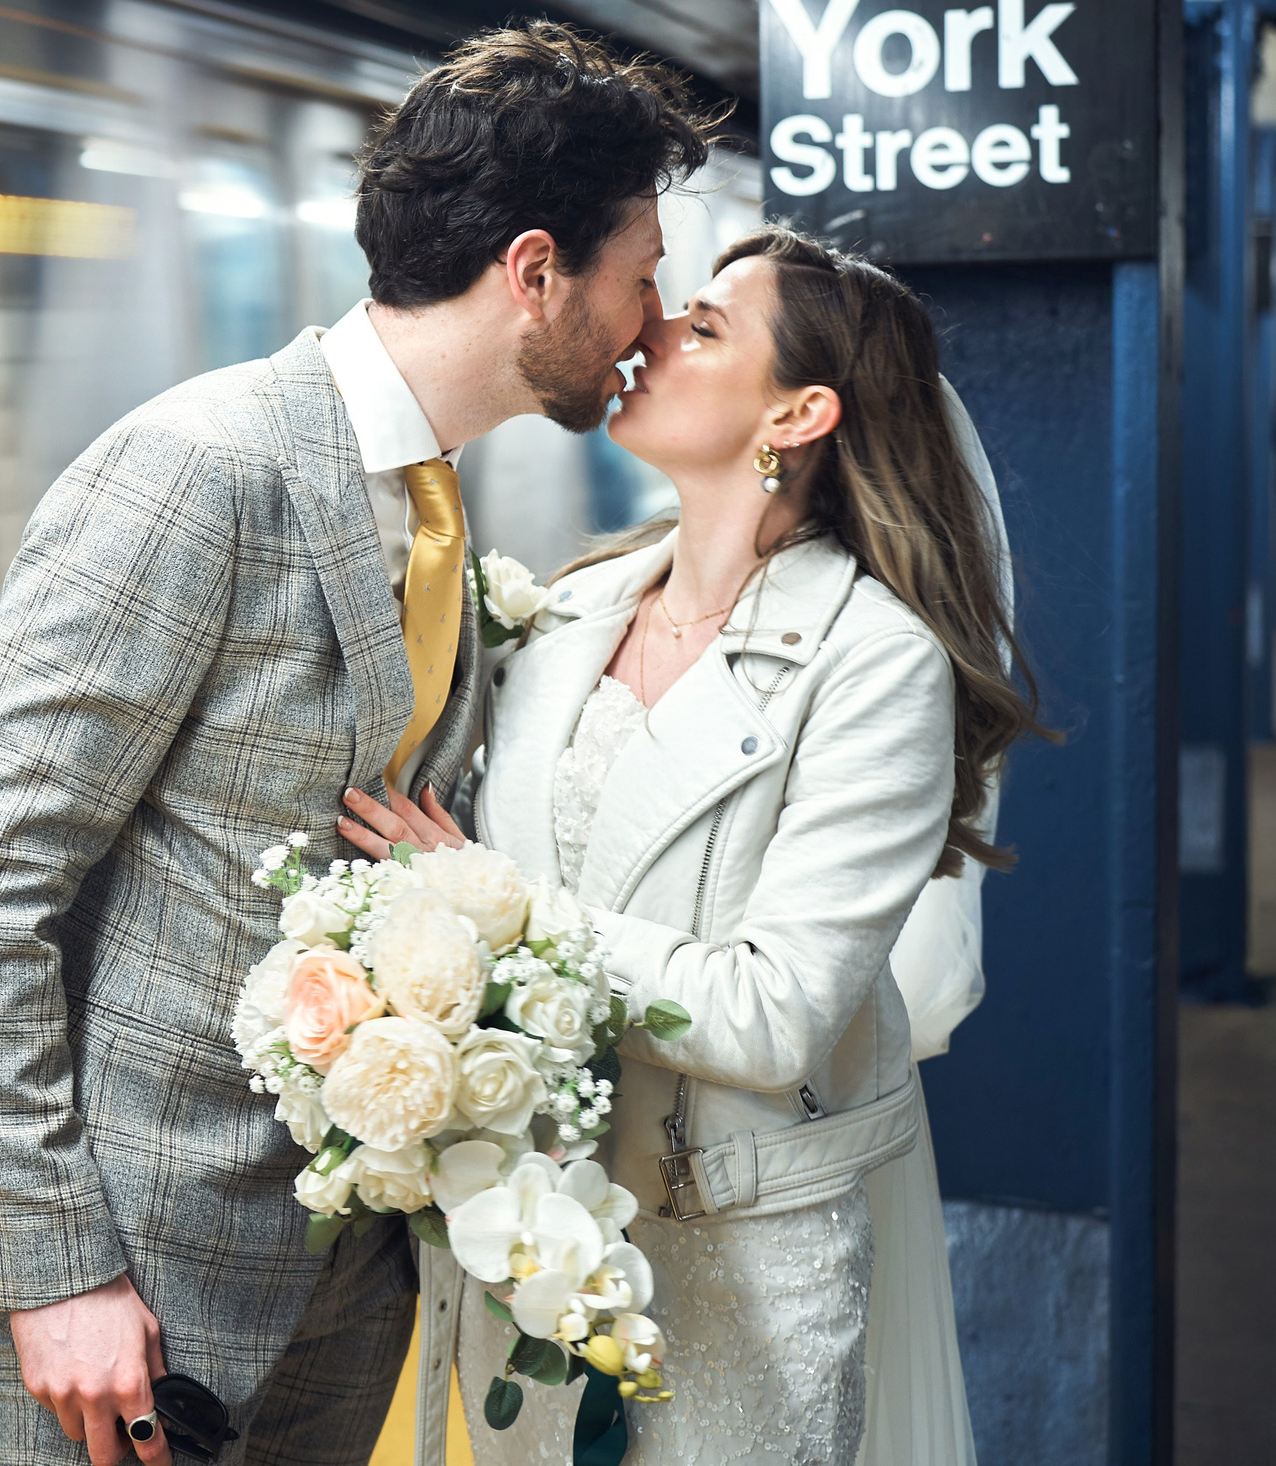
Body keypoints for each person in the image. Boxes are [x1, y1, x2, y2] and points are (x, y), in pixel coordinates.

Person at [0, 23, 712, 1466]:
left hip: (351, 1267)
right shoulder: (199, 468)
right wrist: (51, 1267)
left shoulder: (435, 506)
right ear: (535, 271)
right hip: (141, 1279)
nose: (651, 320)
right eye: (639, 277)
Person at [340, 226, 1043, 1465]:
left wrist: (493, 905)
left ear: (800, 412)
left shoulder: (873, 661)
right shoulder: (566, 612)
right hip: (533, 1232)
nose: (651, 328)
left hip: (733, 1259)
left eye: (705, 324)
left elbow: (773, 1016)